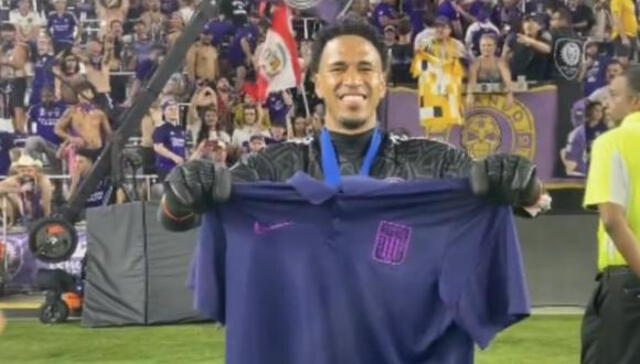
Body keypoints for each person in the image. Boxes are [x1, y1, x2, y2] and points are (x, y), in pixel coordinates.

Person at [159, 17, 547, 231]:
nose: (353, 79)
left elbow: (532, 205)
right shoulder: (276, 165)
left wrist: (522, 183)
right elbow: (182, 219)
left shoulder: (432, 160)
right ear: (318, 82)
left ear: (381, 82)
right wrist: (180, 195)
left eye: (366, 68)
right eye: (338, 68)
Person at [581, 66, 640, 364]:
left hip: (627, 281)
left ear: (636, 102)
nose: (606, 102)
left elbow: (612, 219)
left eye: (614, 95)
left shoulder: (611, 142)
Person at [54, 82, 112, 195]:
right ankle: (71, 198)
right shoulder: (72, 112)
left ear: (92, 94)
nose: (83, 95)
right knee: (79, 166)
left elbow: (109, 133)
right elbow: (57, 129)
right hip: (83, 150)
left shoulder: (100, 113)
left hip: (98, 150)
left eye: (86, 92)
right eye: (81, 93)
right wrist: (71, 138)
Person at [466, 33, 514, 107]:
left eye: (489, 45)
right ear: (479, 46)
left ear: (495, 47)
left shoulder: (500, 62)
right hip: (480, 100)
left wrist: (509, 94)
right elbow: (472, 80)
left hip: (498, 99)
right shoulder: (475, 62)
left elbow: (507, 80)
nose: (486, 48)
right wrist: (470, 94)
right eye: (483, 45)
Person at [0, 23, 29, 134]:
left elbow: (19, 64)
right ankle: (15, 132)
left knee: (18, 106)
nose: (6, 34)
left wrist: (4, 60)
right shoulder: (2, 47)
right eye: (4, 31)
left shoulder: (21, 46)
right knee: (11, 108)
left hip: (17, 80)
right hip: (4, 81)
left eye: (9, 31)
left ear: (14, 33)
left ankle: (21, 130)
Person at [152, 100, 186, 180]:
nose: (174, 111)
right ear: (164, 112)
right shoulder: (161, 129)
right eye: (170, 109)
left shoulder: (181, 129)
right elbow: (157, 147)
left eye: (175, 109)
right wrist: (174, 157)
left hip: (180, 169)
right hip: (166, 168)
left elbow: (185, 147)